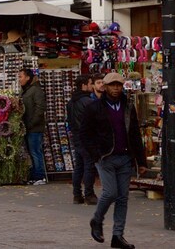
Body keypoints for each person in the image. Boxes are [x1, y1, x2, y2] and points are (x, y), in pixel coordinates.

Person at [79, 73, 147, 249]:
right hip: (105, 157)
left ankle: (118, 235)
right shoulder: (94, 108)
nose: (116, 88)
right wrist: (95, 154)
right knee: (110, 192)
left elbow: (134, 133)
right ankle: (97, 220)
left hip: (125, 157)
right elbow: (84, 135)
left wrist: (141, 160)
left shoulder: (127, 107)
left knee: (123, 197)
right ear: (105, 87)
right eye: (112, 85)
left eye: (119, 85)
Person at [67, 74, 98, 205]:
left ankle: (77, 194)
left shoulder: (71, 102)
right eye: (90, 83)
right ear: (84, 85)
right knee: (89, 166)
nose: (91, 86)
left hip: (77, 137)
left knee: (79, 166)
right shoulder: (88, 102)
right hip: (87, 138)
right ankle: (89, 194)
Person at [19, 68, 48, 185]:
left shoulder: (36, 90)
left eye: (21, 76)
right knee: (32, 152)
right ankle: (35, 175)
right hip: (28, 126)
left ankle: (40, 176)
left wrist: (32, 123)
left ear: (27, 77)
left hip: (34, 128)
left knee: (36, 151)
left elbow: (40, 108)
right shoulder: (27, 90)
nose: (19, 79)